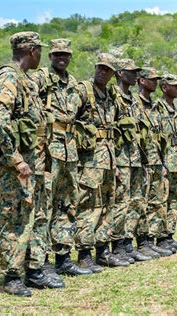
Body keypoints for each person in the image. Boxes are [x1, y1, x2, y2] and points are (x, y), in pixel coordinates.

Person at [0, 31, 61, 296]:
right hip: (18, 167)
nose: (41, 54)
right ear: (31, 50)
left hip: (36, 164)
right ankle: (11, 275)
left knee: (37, 216)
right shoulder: (9, 76)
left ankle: (34, 270)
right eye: (39, 50)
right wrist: (16, 159)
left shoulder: (26, 79)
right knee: (15, 218)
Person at [32, 38, 92, 277]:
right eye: (57, 54)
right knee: (44, 206)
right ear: (50, 56)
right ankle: (42, 260)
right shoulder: (40, 79)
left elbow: (85, 114)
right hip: (47, 149)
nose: (61, 58)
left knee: (67, 205)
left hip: (70, 149)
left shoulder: (75, 84)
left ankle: (63, 258)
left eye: (65, 54)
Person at [76, 53, 129, 268]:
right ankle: (84, 254)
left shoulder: (110, 96)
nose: (101, 72)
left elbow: (113, 131)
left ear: (113, 74)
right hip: (88, 159)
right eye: (99, 67)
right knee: (88, 205)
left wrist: (114, 163)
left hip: (107, 158)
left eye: (107, 69)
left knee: (108, 204)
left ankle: (102, 250)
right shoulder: (83, 91)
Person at [110, 58, 153, 263]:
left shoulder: (134, 100)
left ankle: (128, 243)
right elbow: (110, 130)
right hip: (120, 158)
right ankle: (117, 246)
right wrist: (113, 163)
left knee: (135, 202)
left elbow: (139, 132)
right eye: (131, 71)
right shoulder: (114, 96)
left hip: (135, 158)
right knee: (120, 203)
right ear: (119, 73)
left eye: (137, 72)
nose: (135, 75)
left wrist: (145, 161)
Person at [135, 67, 172, 257]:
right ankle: (141, 242)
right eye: (152, 79)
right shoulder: (135, 104)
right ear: (141, 81)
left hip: (156, 160)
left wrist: (163, 162)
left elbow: (159, 138)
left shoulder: (154, 107)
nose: (155, 82)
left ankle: (150, 239)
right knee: (140, 202)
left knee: (155, 201)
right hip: (141, 161)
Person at [155, 73, 177, 250]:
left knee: (175, 200)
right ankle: (160, 238)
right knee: (162, 200)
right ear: (164, 88)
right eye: (174, 86)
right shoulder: (158, 109)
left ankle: (169, 235)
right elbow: (154, 140)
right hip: (165, 162)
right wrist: (159, 163)